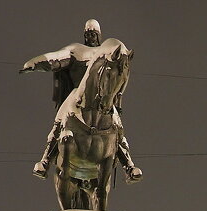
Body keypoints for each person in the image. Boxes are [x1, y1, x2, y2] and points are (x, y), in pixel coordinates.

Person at [21, 20, 142, 182]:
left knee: (117, 125)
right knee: (60, 119)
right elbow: (56, 59)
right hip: (76, 95)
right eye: (88, 34)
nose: (91, 37)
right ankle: (45, 160)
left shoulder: (105, 54)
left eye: (94, 34)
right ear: (84, 35)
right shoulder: (76, 50)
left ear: (99, 35)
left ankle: (128, 165)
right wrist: (36, 64)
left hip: (101, 98)